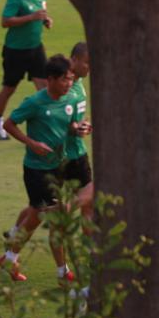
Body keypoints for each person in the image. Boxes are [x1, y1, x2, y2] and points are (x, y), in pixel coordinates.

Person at [0, 55, 84, 281]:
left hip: (58, 167)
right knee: (50, 218)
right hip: (36, 170)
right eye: (65, 79)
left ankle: (9, 258)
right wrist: (32, 143)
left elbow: (71, 126)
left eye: (71, 79)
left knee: (36, 217)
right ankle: (62, 272)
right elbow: (8, 124)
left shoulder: (69, 100)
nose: (69, 84)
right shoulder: (35, 102)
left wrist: (79, 129)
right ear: (51, 79)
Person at [0, 0, 52, 140]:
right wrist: (31, 17)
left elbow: (42, 12)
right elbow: (5, 22)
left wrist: (46, 20)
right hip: (15, 51)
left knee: (44, 87)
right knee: (9, 88)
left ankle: (46, 124)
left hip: (36, 48)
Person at [64, 42, 93, 211]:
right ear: (74, 60)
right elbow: (59, 121)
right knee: (46, 209)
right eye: (87, 62)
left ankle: (16, 232)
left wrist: (86, 126)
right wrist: (75, 128)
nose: (90, 67)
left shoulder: (78, 83)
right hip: (68, 155)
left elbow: (78, 118)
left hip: (77, 151)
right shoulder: (64, 87)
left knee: (88, 206)